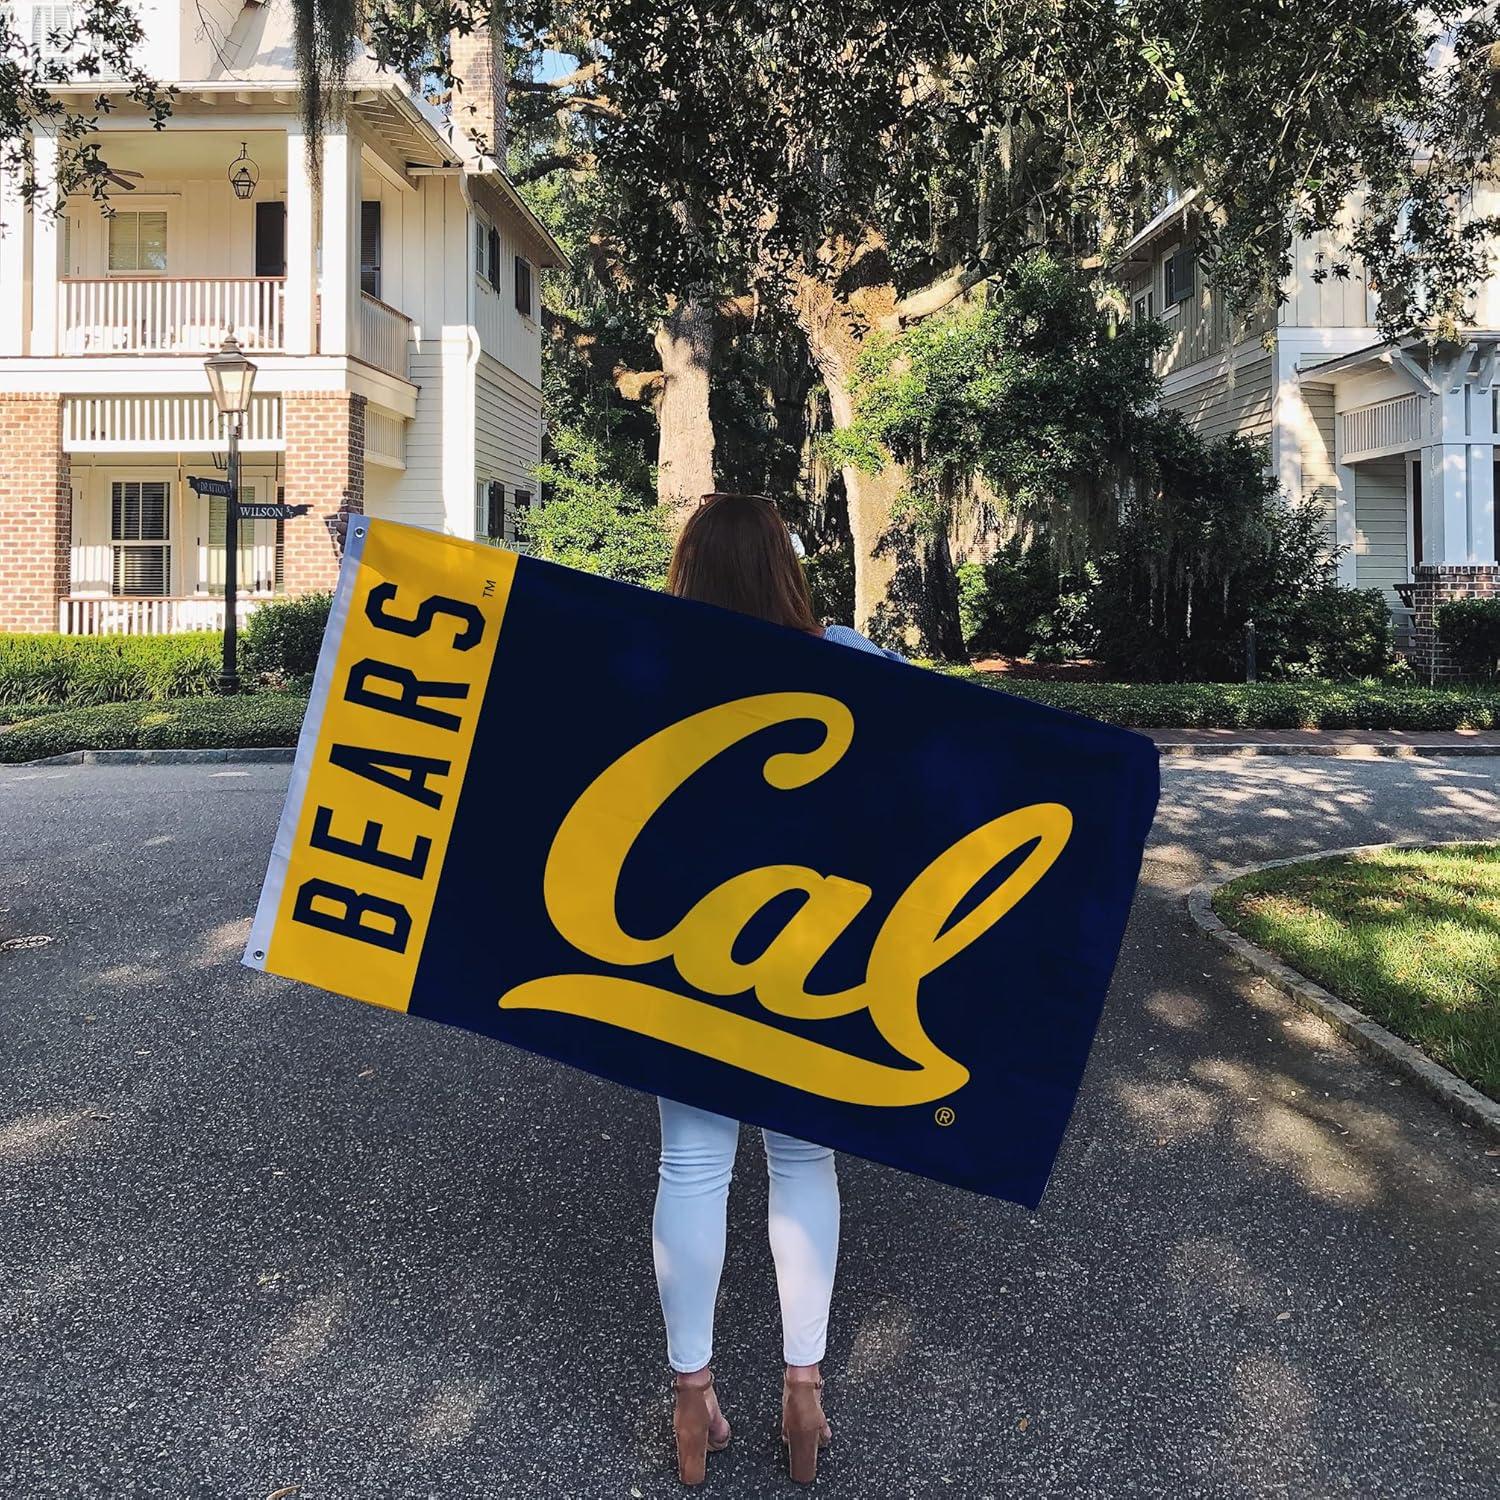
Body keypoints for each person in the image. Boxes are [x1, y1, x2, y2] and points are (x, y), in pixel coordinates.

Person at [653, 492, 897, 1487]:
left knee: (692, 1165)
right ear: (788, 572)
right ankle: (803, 1390)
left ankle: (689, 1399)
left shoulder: (653, 662)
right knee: (804, 1160)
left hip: (682, 956)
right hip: (812, 952)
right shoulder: (852, 659)